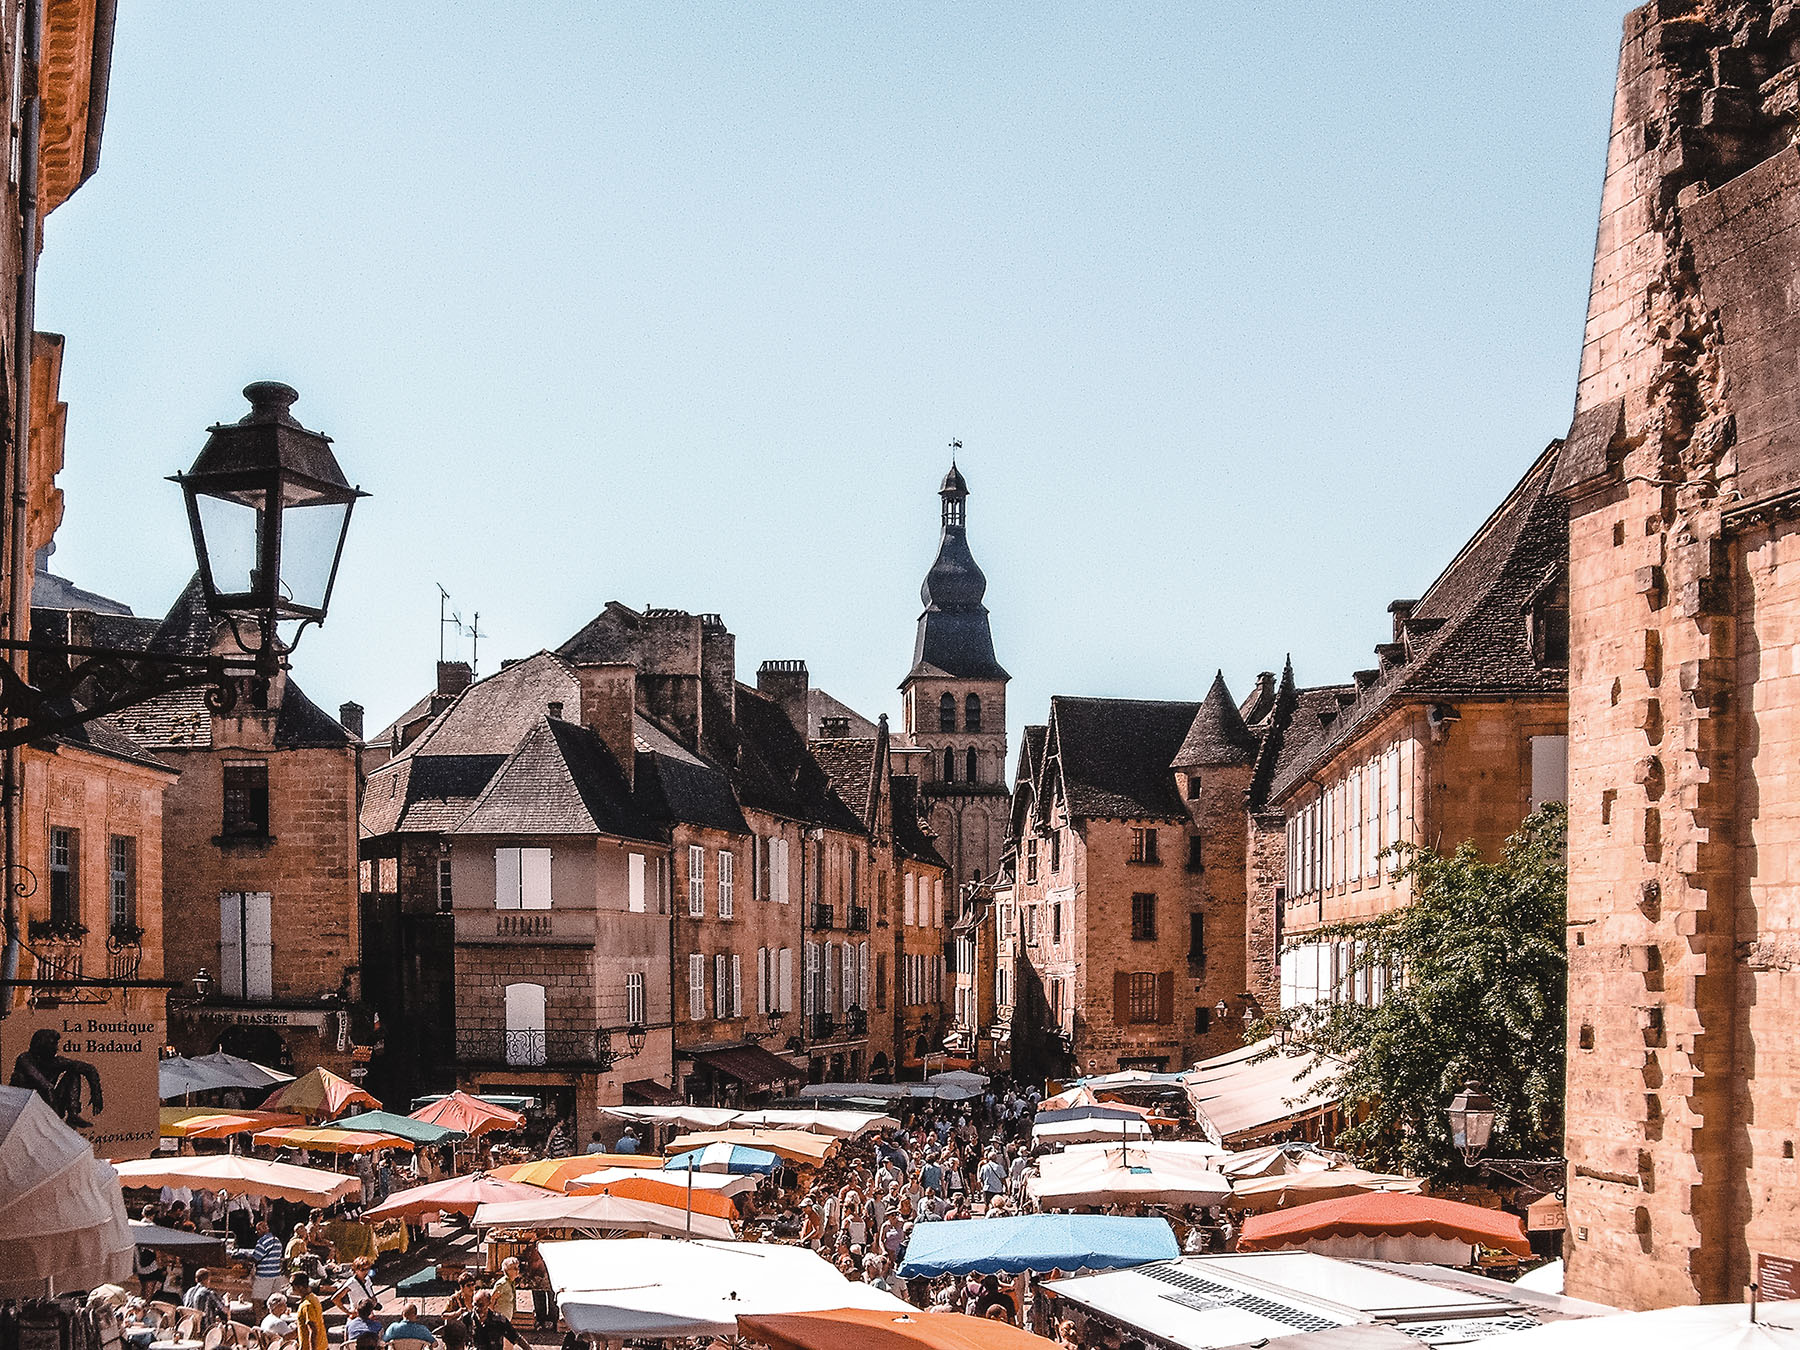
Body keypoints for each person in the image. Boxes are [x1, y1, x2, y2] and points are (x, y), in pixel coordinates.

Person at [8, 1027, 103, 1126]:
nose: (56, 1048)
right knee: (19, 1077)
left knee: (73, 1073)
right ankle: (55, 1120)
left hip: (49, 1104)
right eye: (53, 1044)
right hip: (26, 1106)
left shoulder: (55, 1061)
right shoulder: (25, 1058)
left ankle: (73, 1114)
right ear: (42, 1045)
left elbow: (89, 1069)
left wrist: (96, 1096)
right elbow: (44, 1084)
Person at [234, 1217, 286, 1302]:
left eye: (257, 1231)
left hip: (264, 1276)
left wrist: (245, 1256)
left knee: (257, 1301)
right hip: (276, 1275)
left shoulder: (262, 1242)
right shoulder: (277, 1241)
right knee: (274, 1302)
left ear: (260, 1230)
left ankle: (259, 1315)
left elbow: (255, 1258)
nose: (256, 1233)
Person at [464, 1291, 530, 1350]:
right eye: (475, 1305)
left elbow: (517, 1338)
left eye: (481, 1305)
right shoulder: (467, 1319)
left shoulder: (499, 1321)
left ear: (488, 1304)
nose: (477, 1309)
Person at [289, 1272, 328, 1350]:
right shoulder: (313, 1298)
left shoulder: (307, 1305)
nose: (292, 1289)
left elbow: (313, 1330)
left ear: (300, 1287)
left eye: (293, 1286)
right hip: (322, 1346)